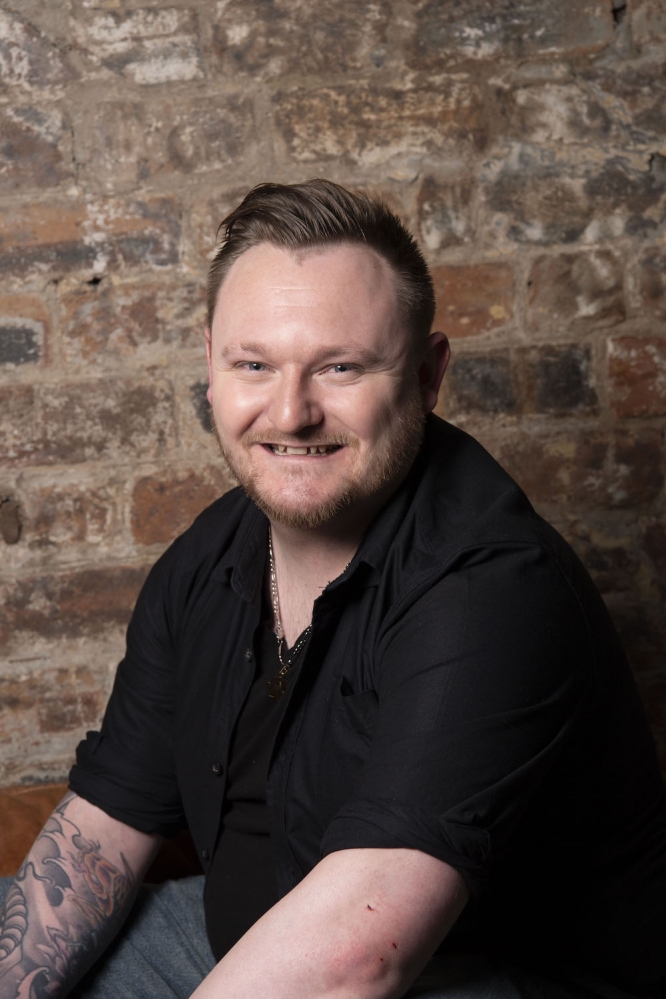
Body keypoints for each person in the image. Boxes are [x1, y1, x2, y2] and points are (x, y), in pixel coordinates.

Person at [1, 179, 665, 999]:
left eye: (340, 367)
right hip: (242, 943)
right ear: (211, 365)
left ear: (427, 374)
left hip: (469, 976)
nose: (290, 412)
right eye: (254, 365)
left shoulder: (494, 588)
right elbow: (100, 839)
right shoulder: (203, 564)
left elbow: (357, 960)